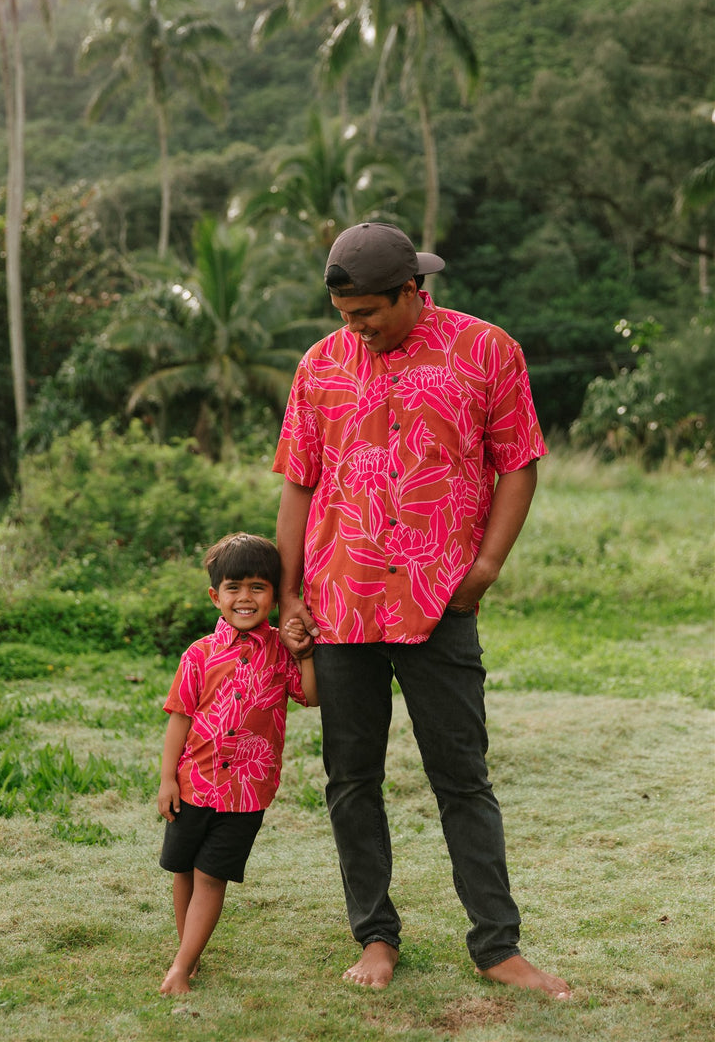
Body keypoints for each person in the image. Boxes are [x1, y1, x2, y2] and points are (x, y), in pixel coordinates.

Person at [273, 221, 571, 999]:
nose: (355, 329)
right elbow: (300, 483)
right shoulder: (321, 364)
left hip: (441, 604)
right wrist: (291, 595)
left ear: (412, 292)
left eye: (368, 313)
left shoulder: (486, 350)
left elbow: (518, 462)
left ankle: (497, 947)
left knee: (462, 778)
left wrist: (486, 568)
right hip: (341, 605)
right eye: (344, 314)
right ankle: (375, 937)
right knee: (351, 781)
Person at [156, 532, 318, 995]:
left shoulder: (282, 651)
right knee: (183, 868)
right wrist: (168, 779)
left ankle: (181, 968)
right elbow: (179, 720)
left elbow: (311, 696)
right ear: (216, 596)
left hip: (247, 793)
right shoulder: (198, 655)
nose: (245, 598)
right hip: (193, 785)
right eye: (234, 587)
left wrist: (305, 654)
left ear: (275, 594)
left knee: (212, 876)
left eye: (258, 587)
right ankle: (189, 953)